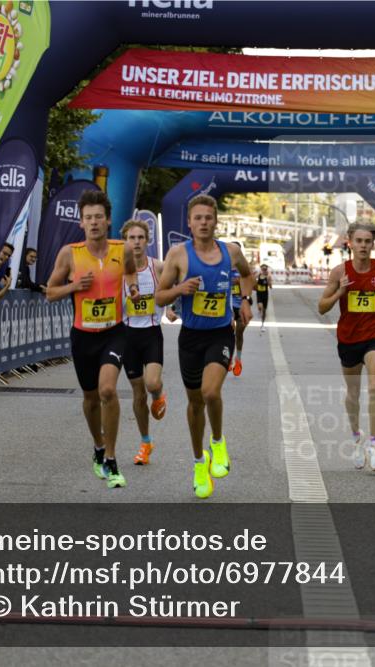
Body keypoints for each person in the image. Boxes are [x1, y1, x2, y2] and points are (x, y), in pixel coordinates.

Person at [154, 195, 254, 499]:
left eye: (208, 218)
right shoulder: (178, 255)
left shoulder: (231, 252)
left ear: (216, 221)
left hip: (220, 333)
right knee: (195, 403)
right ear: (189, 222)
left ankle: (219, 442)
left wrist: (245, 301)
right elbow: (159, 297)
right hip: (191, 337)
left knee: (211, 392)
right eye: (197, 218)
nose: (203, 223)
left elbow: (247, 275)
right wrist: (180, 290)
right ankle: (200, 462)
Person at [46, 190, 139, 489]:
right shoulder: (69, 253)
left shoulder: (121, 249)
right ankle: (98, 446)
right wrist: (74, 286)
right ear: (81, 222)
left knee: (108, 390)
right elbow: (50, 292)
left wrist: (133, 288)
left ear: (108, 220)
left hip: (114, 332)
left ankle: (111, 459)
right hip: (83, 336)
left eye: (99, 217)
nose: (94, 222)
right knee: (89, 399)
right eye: (89, 218)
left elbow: (131, 272)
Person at [317, 222, 375, 473]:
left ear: (372, 244)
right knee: (353, 393)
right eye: (359, 241)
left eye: (368, 241)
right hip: (348, 337)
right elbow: (321, 307)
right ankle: (356, 437)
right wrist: (341, 291)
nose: (364, 245)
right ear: (350, 243)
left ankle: (374, 445)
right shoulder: (339, 272)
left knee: (374, 386)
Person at [121, 219, 177, 467]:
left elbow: (176, 284)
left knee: (152, 382)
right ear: (125, 241)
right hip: (127, 335)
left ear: (147, 240)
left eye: (140, 238)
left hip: (152, 332)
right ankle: (145, 442)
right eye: (131, 238)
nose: (136, 242)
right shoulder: (118, 270)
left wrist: (174, 308)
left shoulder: (159, 267)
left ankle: (158, 395)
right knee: (136, 392)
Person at [228, 243, 249, 377]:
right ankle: (228, 359)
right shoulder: (223, 266)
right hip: (227, 306)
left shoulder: (244, 269)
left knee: (239, 334)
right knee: (229, 333)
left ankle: (238, 360)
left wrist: (241, 283)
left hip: (240, 306)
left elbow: (253, 287)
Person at [256, 263, 272, 333]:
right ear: (261, 269)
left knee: (264, 311)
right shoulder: (258, 275)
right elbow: (254, 279)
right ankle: (259, 311)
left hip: (265, 295)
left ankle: (262, 324)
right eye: (263, 269)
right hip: (259, 294)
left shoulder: (268, 276)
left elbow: (270, 286)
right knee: (260, 306)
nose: (264, 271)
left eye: (265, 269)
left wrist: (269, 281)